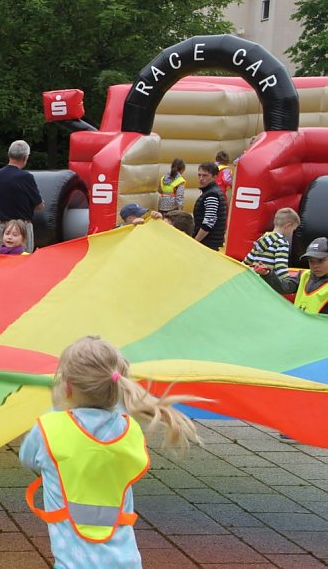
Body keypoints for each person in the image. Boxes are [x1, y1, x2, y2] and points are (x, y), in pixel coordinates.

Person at [20, 336, 203, 568]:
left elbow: (28, 458)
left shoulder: (49, 428)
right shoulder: (129, 430)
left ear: (67, 387)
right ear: (118, 385)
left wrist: (57, 406)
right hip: (127, 562)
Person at [0, 140, 44, 252]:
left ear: (9, 155)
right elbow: (39, 205)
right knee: (22, 264)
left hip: (0, 229)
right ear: (25, 158)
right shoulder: (26, 177)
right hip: (20, 230)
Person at [254, 237, 328, 314]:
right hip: (299, 323)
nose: (315, 265)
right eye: (311, 261)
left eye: (320, 260)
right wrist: (267, 274)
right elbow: (284, 287)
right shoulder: (304, 276)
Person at [242, 208, 301, 280]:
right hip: (268, 282)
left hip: (255, 280)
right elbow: (280, 266)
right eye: (293, 230)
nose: (292, 233)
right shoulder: (282, 242)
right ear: (288, 226)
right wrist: (287, 281)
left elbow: (247, 261)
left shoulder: (261, 239)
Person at [192, 163, 227, 251]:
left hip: (208, 244)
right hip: (211, 242)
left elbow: (208, 222)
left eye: (205, 175)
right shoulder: (212, 192)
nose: (201, 178)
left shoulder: (212, 194)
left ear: (215, 177)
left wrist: (195, 242)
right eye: (199, 175)